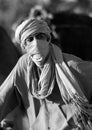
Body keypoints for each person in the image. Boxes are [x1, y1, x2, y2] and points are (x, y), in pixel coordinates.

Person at [0, 18, 92, 130]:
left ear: (48, 39)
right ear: (24, 46)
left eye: (39, 36)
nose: (36, 43)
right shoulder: (23, 66)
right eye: (30, 39)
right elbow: (4, 96)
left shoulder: (70, 65)